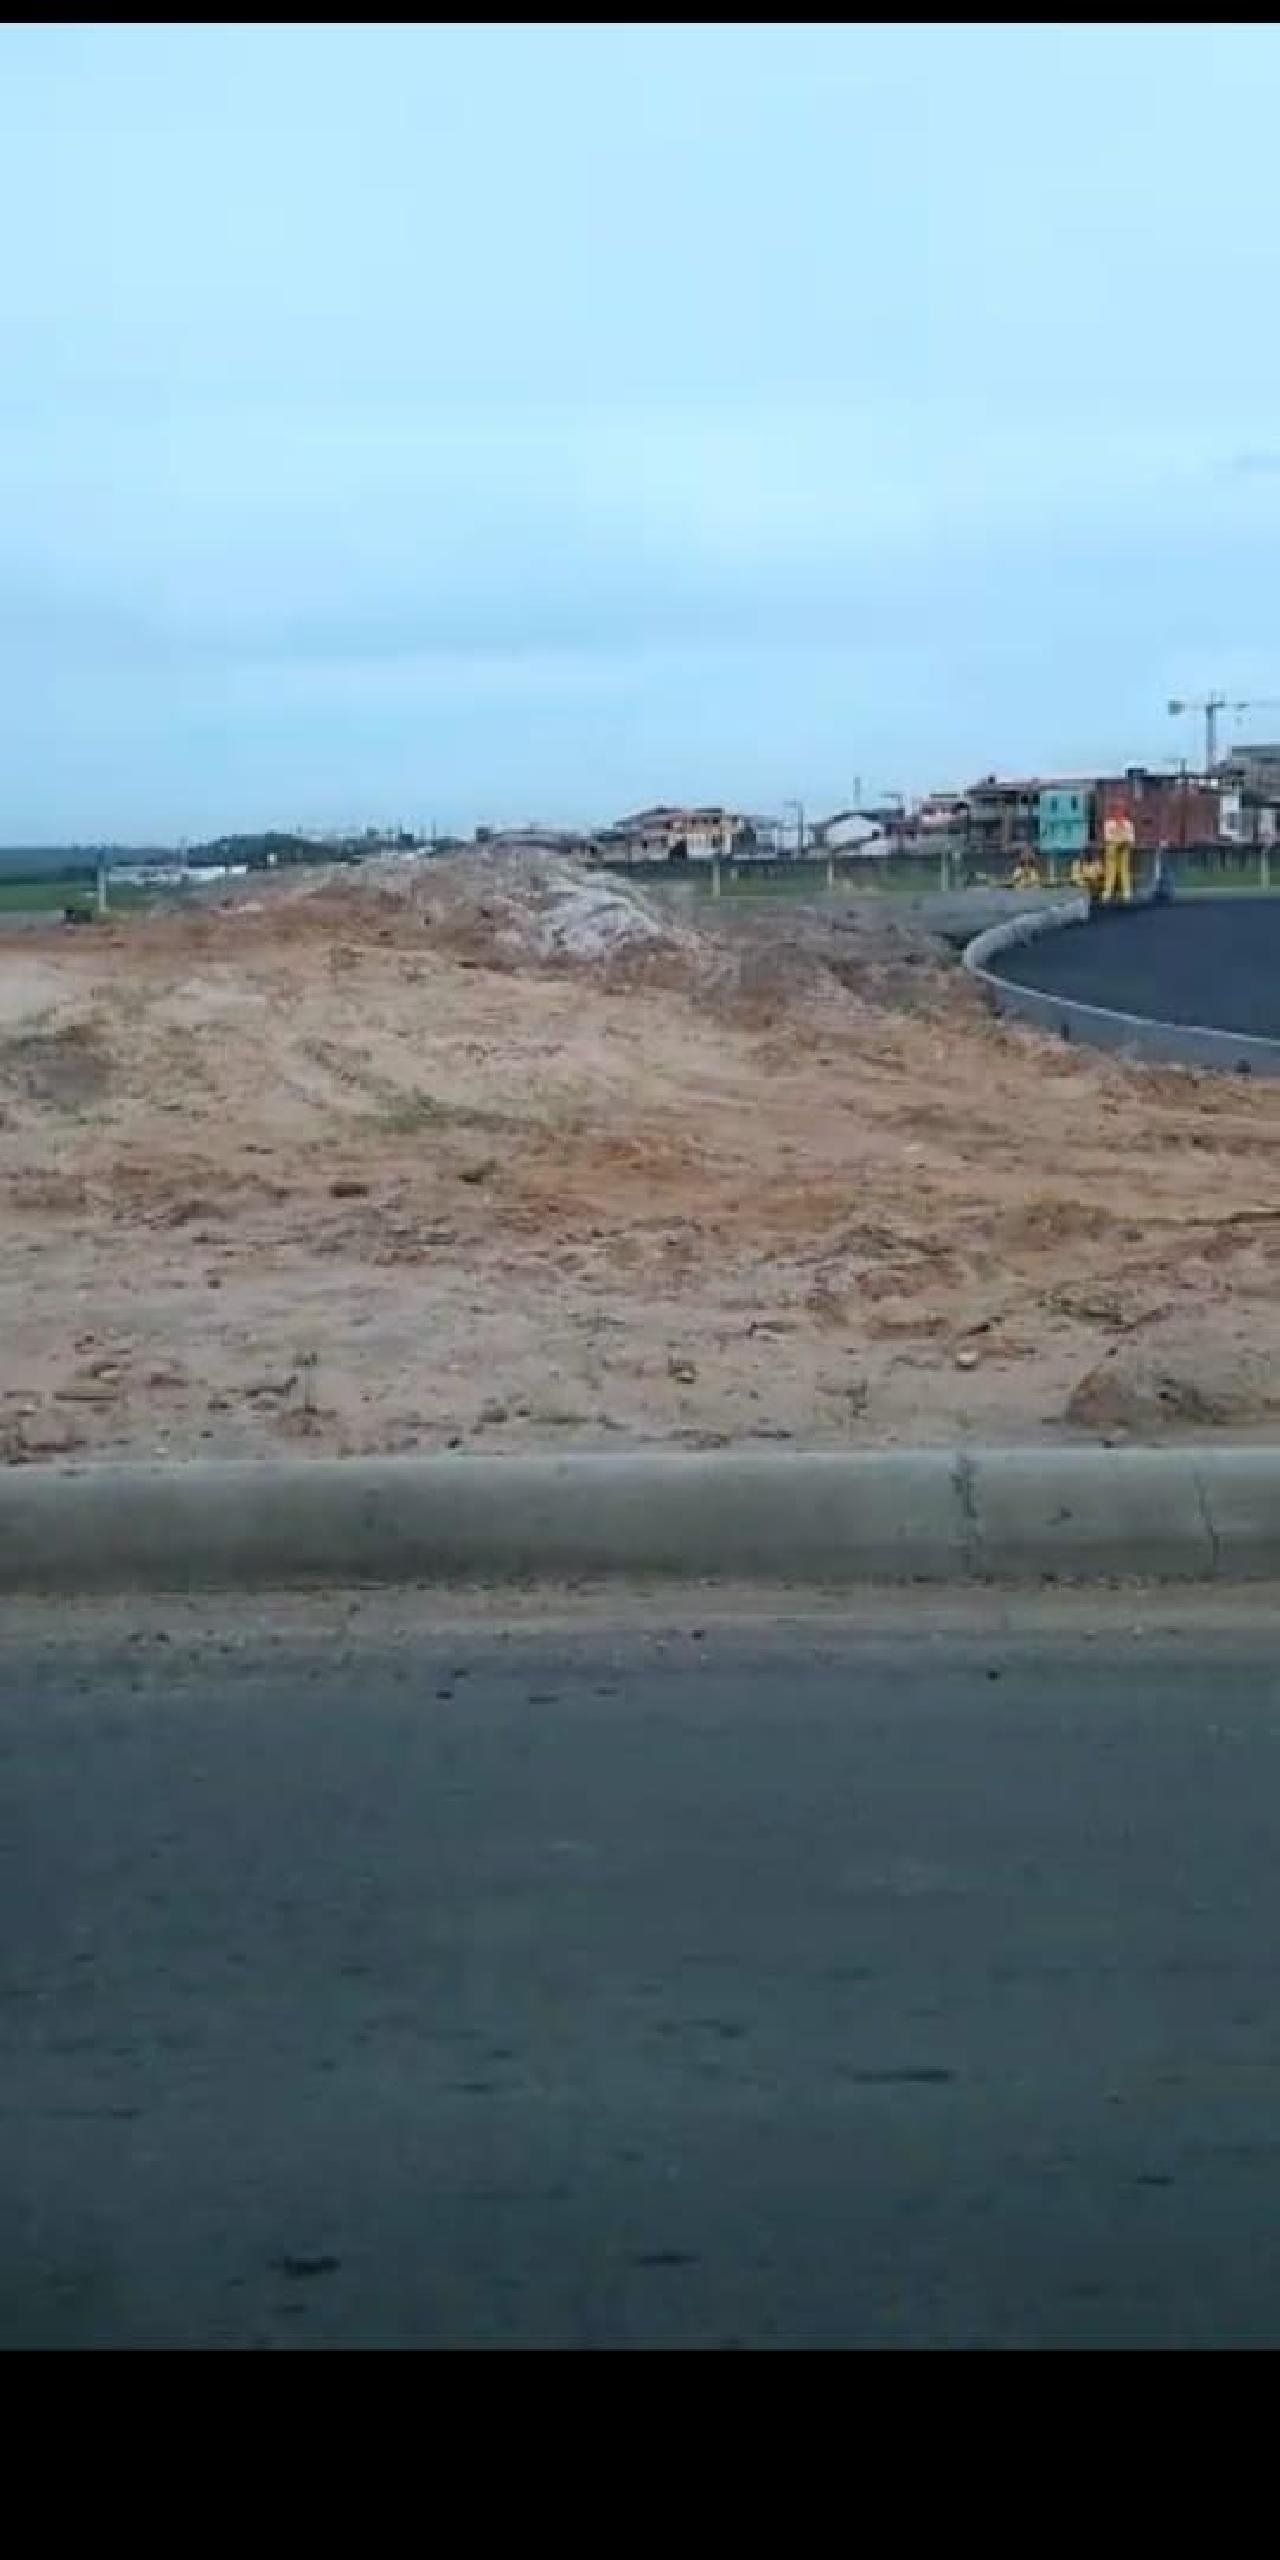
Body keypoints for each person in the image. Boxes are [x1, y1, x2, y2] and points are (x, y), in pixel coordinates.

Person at [1101, 807, 1135, 904]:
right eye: (1116, 811)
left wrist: (1124, 842)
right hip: (1112, 848)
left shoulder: (1128, 824)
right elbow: (1107, 837)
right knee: (1110, 871)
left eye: (1120, 811)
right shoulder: (1109, 823)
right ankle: (1107, 892)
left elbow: (1131, 837)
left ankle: (1126, 892)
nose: (1118, 813)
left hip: (1124, 849)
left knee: (1124, 870)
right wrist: (1117, 841)